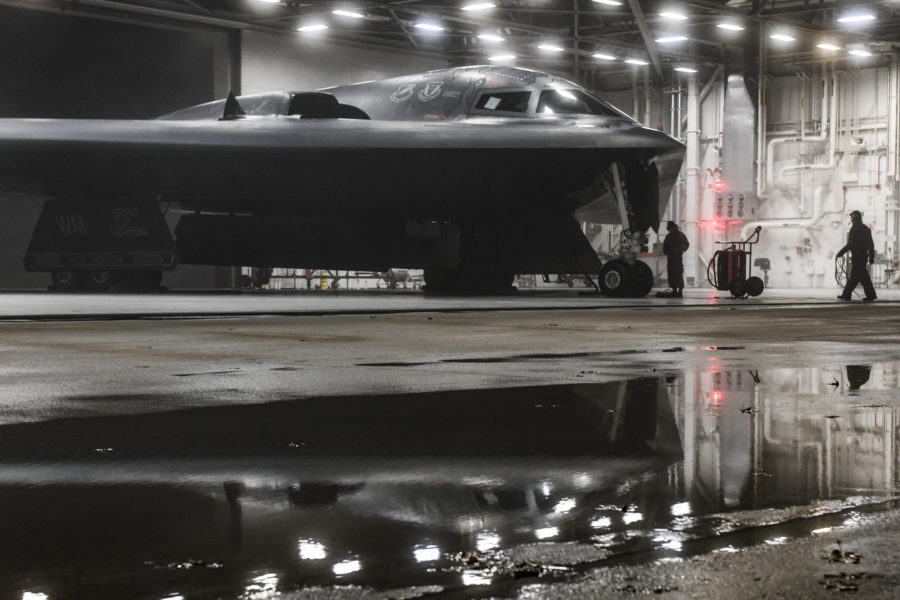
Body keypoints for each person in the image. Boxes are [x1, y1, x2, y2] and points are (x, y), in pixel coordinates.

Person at [836, 210, 876, 301]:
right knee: (855, 276)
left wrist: (841, 253)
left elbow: (850, 244)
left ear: (855, 219)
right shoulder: (865, 229)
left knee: (861, 276)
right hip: (863, 256)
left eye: (852, 219)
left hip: (857, 257)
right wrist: (871, 256)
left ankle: (870, 295)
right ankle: (847, 294)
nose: (851, 221)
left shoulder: (854, 229)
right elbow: (870, 244)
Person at [662, 221, 690, 297]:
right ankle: (674, 290)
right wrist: (668, 252)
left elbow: (686, 244)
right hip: (671, 258)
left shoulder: (680, 235)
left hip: (677, 258)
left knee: (678, 273)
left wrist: (679, 250)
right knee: (671, 274)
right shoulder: (669, 236)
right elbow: (665, 247)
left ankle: (680, 291)